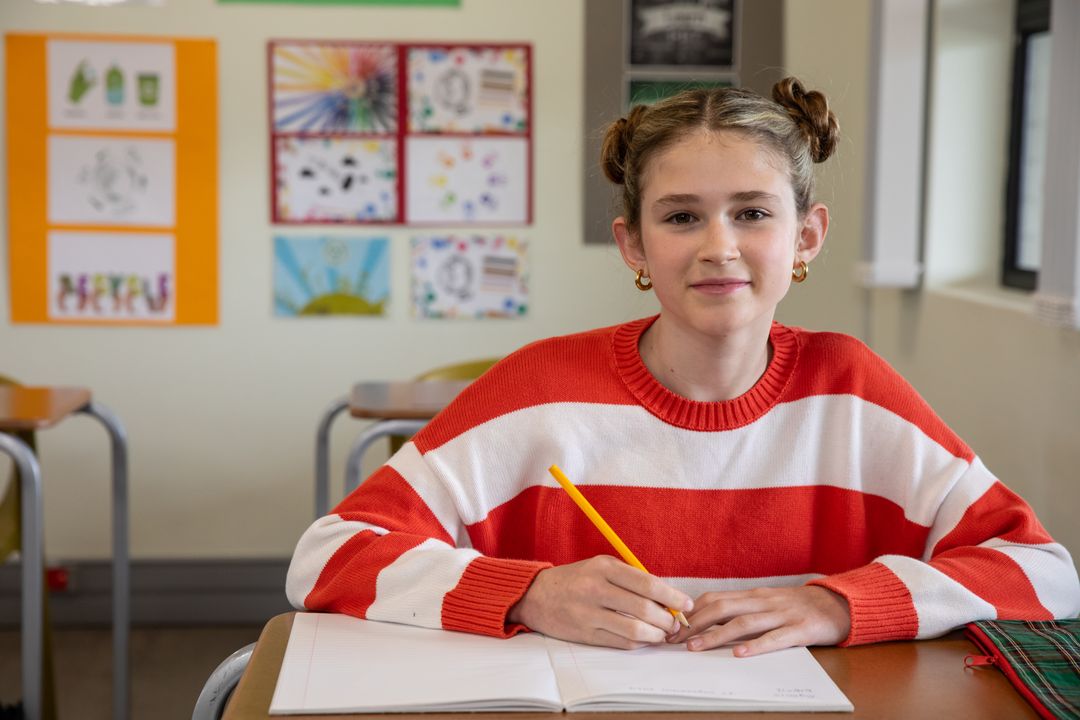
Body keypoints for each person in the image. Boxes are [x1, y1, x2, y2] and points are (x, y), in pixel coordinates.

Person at [286, 78, 1080, 656]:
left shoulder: (852, 391)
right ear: (633, 243)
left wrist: (839, 605)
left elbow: (1043, 572)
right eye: (681, 217)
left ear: (806, 236)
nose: (718, 247)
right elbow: (328, 555)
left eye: (753, 213)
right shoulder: (537, 390)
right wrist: (528, 592)